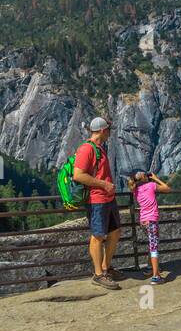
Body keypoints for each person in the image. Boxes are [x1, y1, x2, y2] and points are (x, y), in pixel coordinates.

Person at [72, 117, 124, 290]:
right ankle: (98, 274)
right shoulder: (86, 149)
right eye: (108, 129)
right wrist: (103, 184)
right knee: (97, 236)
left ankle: (106, 267)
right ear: (102, 130)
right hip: (97, 200)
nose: (109, 132)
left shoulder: (99, 148)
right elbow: (78, 175)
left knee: (115, 232)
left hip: (108, 198)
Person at [130, 171, 172, 283]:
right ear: (144, 178)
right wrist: (156, 178)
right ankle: (155, 277)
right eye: (146, 175)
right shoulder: (151, 185)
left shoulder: (135, 190)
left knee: (152, 243)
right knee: (154, 248)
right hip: (152, 220)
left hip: (143, 220)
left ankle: (150, 268)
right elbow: (167, 189)